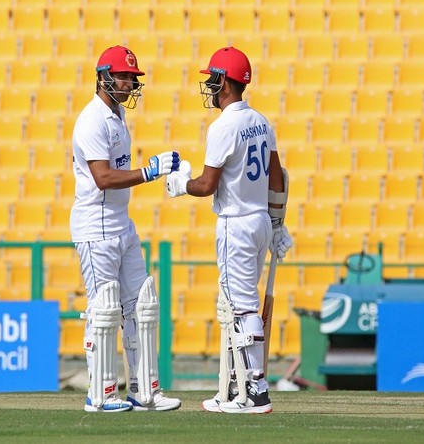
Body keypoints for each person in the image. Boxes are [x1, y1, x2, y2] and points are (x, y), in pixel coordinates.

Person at [165, 46, 293, 414]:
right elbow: (276, 176)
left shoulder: (223, 126)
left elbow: (206, 185)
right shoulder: (261, 121)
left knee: (241, 307)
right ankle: (240, 382)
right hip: (259, 221)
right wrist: (278, 223)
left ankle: (256, 390)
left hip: (235, 223)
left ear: (224, 82)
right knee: (241, 304)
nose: (209, 85)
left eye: (212, 79)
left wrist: (180, 185)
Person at [70, 45, 182, 412]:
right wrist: (148, 172)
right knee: (104, 310)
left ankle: (144, 389)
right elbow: (102, 177)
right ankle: (100, 395)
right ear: (104, 77)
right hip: (95, 225)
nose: (130, 83)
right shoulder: (91, 120)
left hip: (121, 222)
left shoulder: (117, 115)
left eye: (133, 78)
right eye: (124, 76)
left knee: (142, 306)